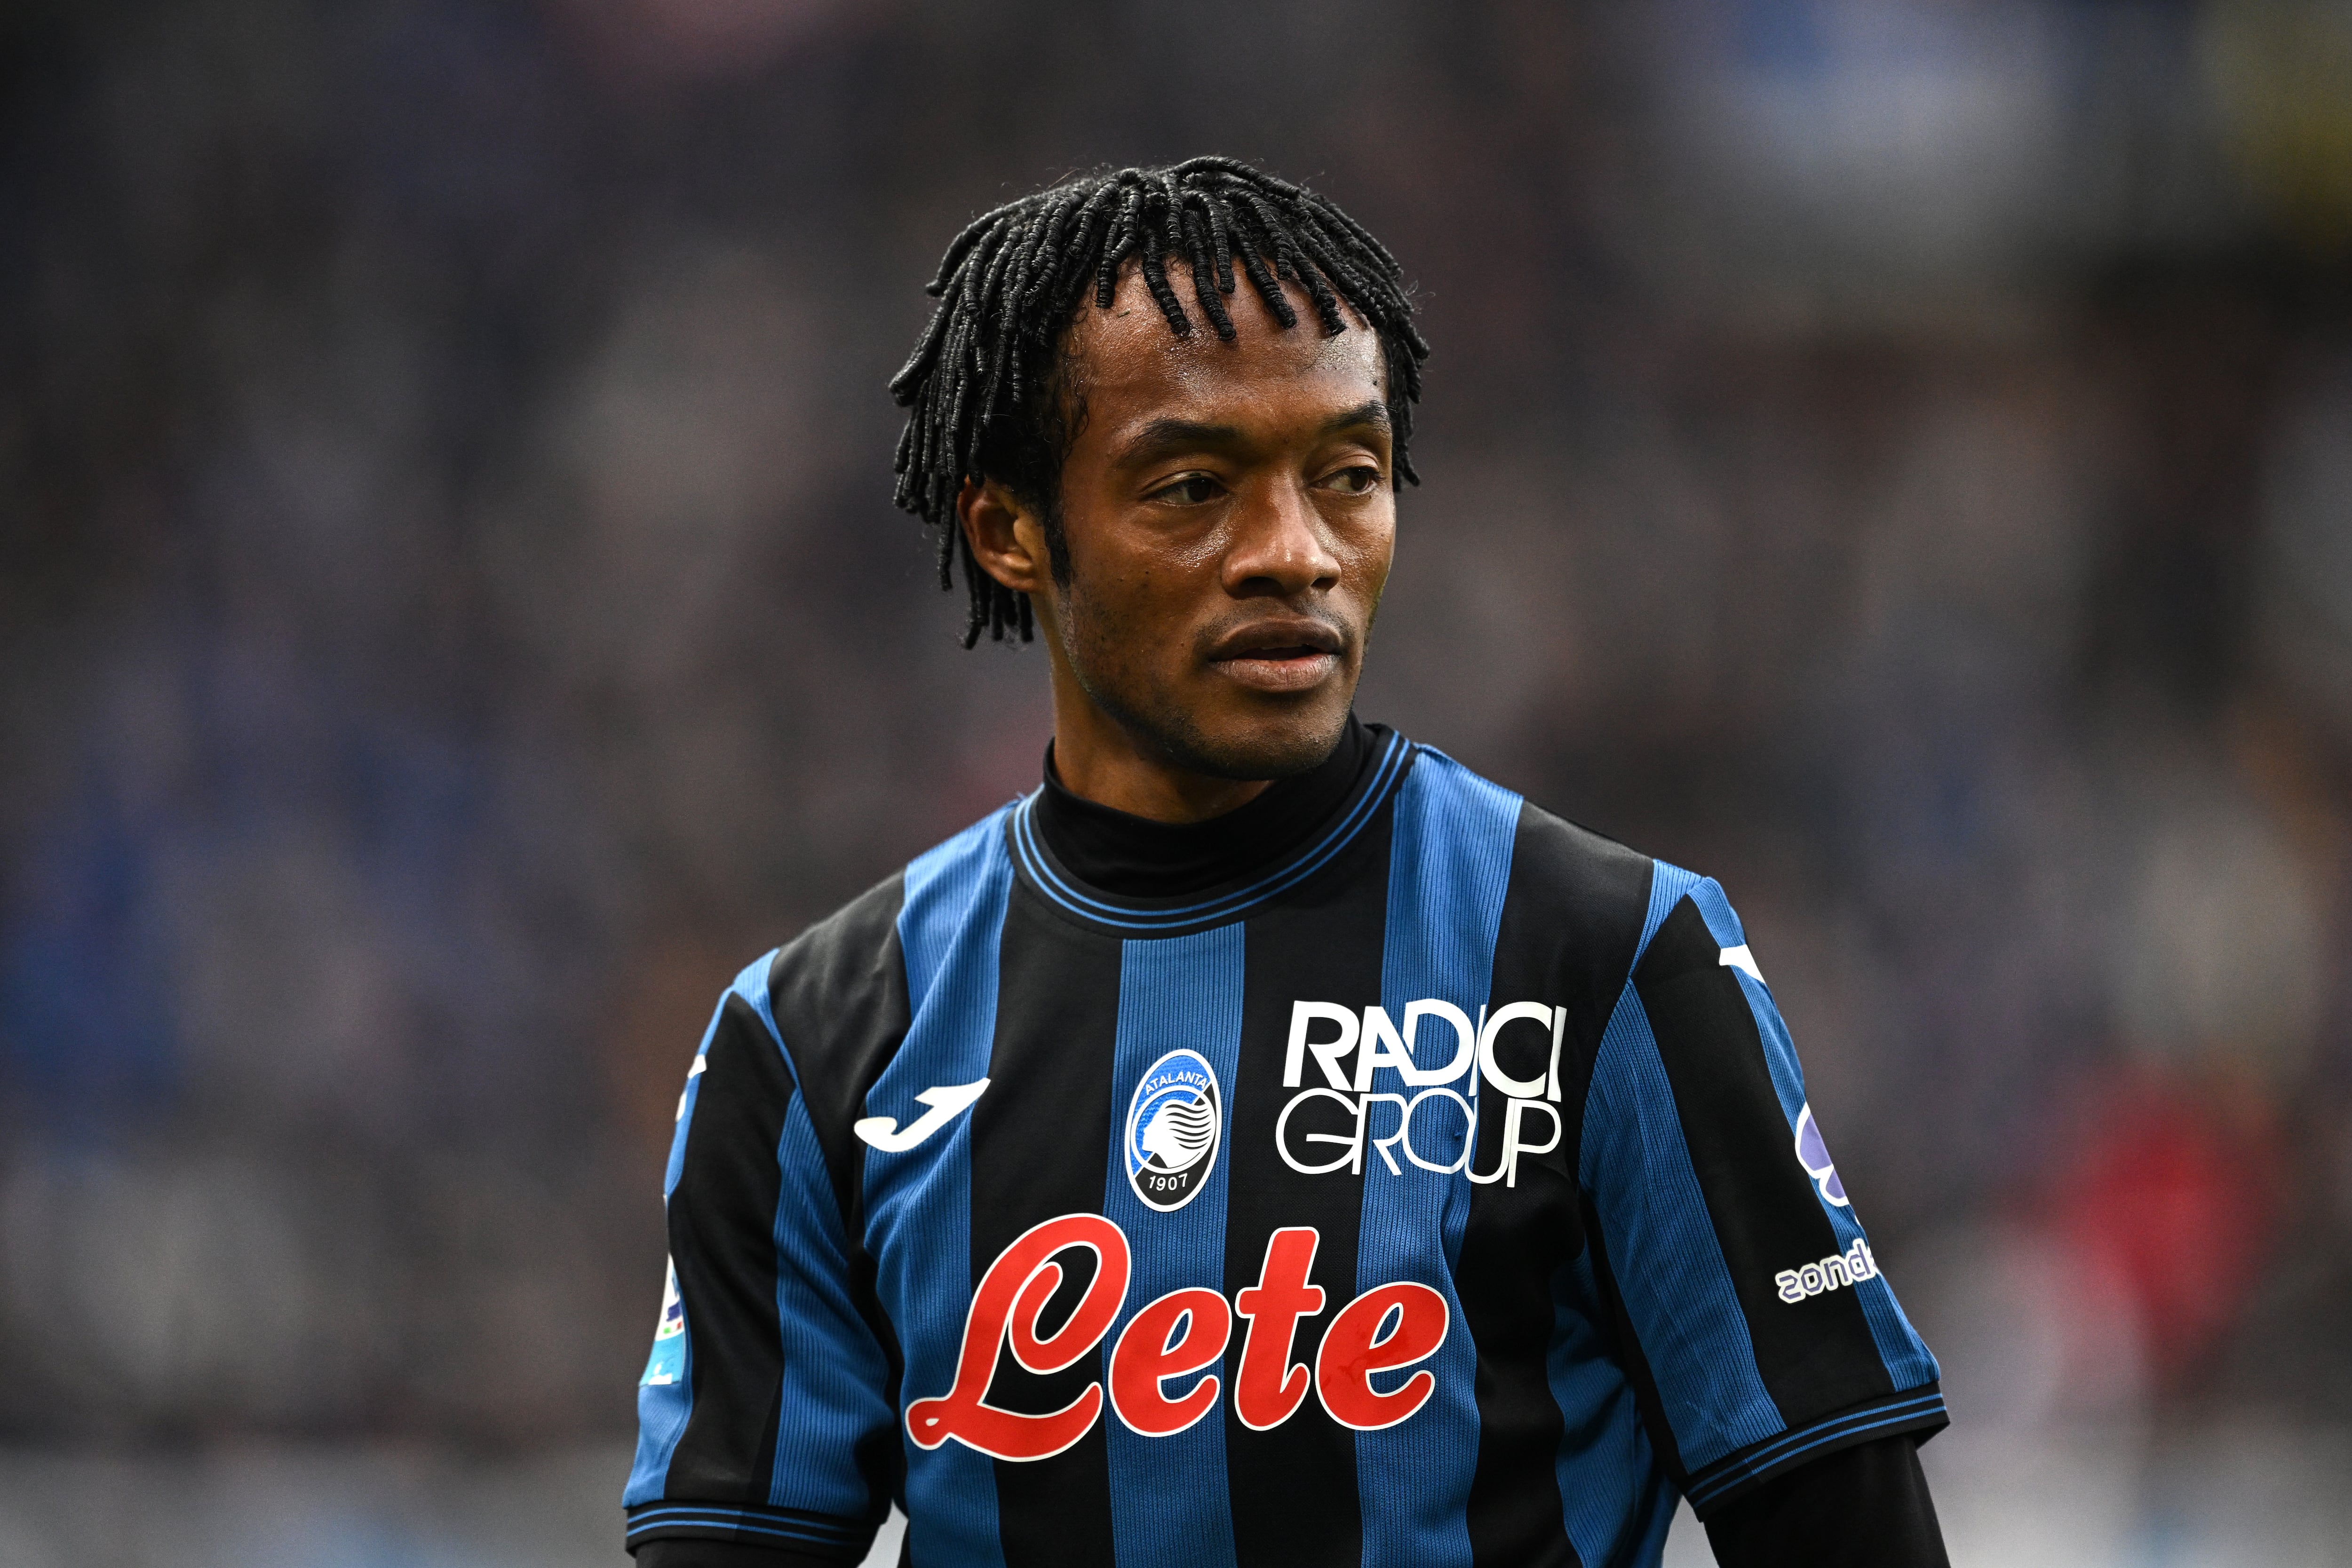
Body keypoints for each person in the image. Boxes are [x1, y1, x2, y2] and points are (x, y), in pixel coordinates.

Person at [621, 158, 1949, 1568]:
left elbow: (1845, 1529)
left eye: (1350, 477)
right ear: (1009, 528)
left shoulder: (1612, 961)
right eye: (1195, 487)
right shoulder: (814, 1043)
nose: (1296, 553)